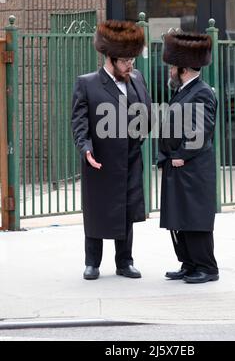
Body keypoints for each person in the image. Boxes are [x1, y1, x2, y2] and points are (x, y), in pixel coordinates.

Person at [71, 20, 151, 280]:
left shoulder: (137, 78)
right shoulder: (88, 83)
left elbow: (145, 112)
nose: (131, 65)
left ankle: (124, 262)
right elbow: (79, 122)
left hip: (130, 157)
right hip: (100, 159)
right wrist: (85, 149)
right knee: (97, 210)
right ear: (110, 57)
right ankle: (92, 262)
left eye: (132, 59)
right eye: (126, 60)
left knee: (126, 210)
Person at [158, 31, 219, 284]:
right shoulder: (185, 89)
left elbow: (199, 131)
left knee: (194, 219)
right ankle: (189, 263)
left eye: (173, 66)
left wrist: (181, 155)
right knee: (181, 219)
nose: (170, 71)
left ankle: (206, 267)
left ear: (182, 68)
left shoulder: (201, 92)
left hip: (191, 168)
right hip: (178, 166)